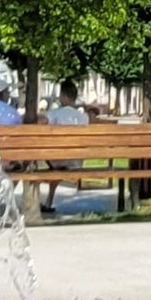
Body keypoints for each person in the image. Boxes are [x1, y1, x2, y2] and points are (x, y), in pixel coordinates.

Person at [41, 79, 90, 212]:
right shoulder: (83, 117)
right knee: (56, 171)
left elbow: (42, 122)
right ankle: (48, 202)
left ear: (64, 96)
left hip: (57, 160)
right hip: (76, 161)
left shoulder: (55, 114)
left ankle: (45, 203)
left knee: (37, 164)